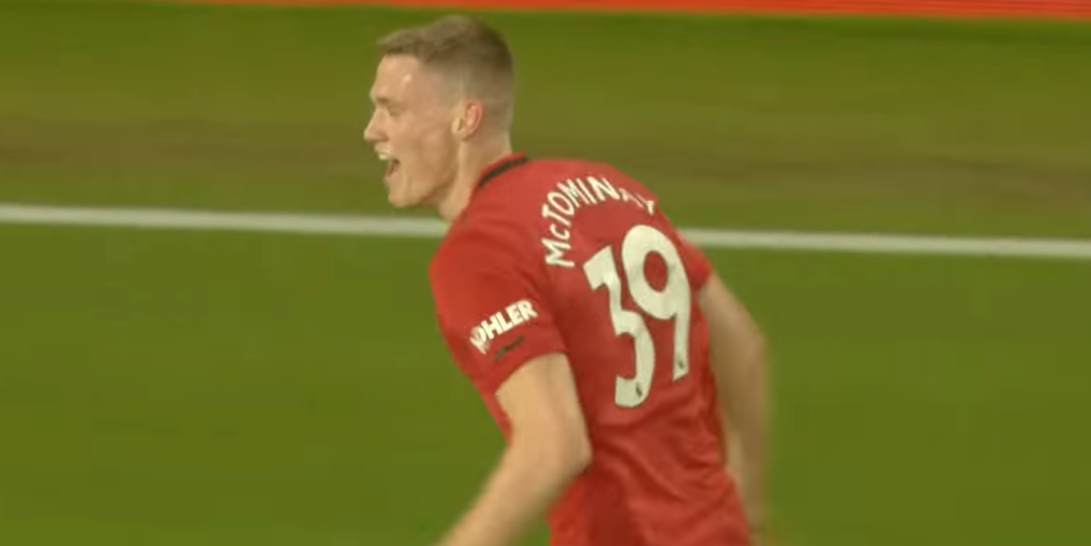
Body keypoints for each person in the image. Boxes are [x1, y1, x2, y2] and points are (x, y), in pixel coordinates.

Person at [363, 14, 771, 546]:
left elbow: (554, 446)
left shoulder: (479, 251)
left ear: (465, 119)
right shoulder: (611, 189)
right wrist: (747, 500)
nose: (372, 130)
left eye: (392, 110)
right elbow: (743, 347)